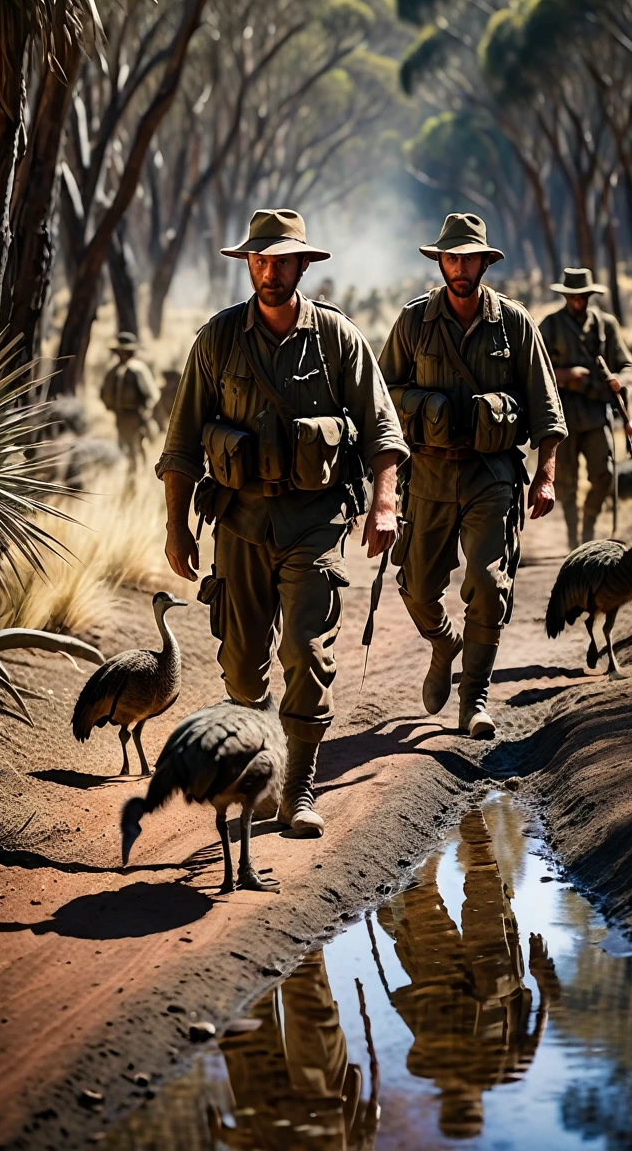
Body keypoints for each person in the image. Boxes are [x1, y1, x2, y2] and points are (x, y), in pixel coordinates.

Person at [157, 208, 407, 837]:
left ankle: (297, 789)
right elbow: (183, 442)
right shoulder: (216, 340)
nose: (268, 270)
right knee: (242, 667)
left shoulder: (336, 339)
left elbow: (382, 428)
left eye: (280, 260)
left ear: (302, 265)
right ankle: (260, 755)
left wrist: (384, 502)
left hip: (314, 520)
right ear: (249, 265)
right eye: (258, 260)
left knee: (304, 647)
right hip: (239, 522)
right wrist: (176, 525)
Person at [378, 213, 566, 739]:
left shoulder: (514, 324)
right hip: (429, 477)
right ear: (440, 262)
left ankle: (474, 699)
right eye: (451, 257)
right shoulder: (413, 324)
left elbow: (547, 412)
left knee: (487, 583)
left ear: (486, 261)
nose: (460, 267)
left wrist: (544, 477)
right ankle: (444, 643)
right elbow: (380, 402)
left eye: (469, 258)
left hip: (491, 475)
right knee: (416, 589)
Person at [376, 808, 560, 1140]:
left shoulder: (424, 1065)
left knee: (421, 904)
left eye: (455, 1109)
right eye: (467, 1110)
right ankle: (476, 842)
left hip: (438, 987)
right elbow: (539, 1021)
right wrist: (543, 977)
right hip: (496, 984)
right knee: (485, 914)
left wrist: (543, 981)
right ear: (478, 1107)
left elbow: (417, 1024)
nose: (463, 1099)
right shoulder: (508, 1069)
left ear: (445, 1106)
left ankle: (435, 848)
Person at [210, 949, 379, 1150]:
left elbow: (367, 1126)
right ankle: (262, 948)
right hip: (314, 1115)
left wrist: (369, 1119)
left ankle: (248, 948)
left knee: (295, 1003)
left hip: (299, 1119)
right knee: (304, 1001)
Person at [538, 268, 632, 550]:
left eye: (583, 295)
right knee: (566, 482)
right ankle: (573, 540)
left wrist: (620, 381)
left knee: (603, 475)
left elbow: (627, 365)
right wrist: (565, 375)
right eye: (572, 296)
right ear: (565, 296)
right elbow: (534, 368)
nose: (578, 300)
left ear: (590, 295)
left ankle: (589, 528)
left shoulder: (605, 325)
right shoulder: (551, 325)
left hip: (595, 413)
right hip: (562, 415)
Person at [100, 331, 160, 475]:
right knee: (124, 445)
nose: (121, 355)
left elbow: (151, 395)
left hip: (135, 415)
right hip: (120, 416)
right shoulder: (113, 371)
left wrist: (145, 413)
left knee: (136, 446)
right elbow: (104, 393)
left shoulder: (138, 369)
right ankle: (131, 473)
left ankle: (138, 473)